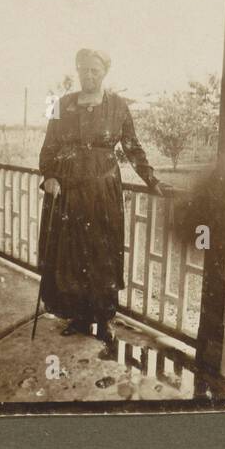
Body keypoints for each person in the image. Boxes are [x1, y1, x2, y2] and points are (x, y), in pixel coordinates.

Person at [37, 49, 169, 346]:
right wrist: (49, 176)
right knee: (72, 254)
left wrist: (151, 179)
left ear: (104, 72)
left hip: (102, 191)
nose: (89, 74)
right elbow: (48, 147)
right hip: (69, 190)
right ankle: (80, 317)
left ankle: (105, 319)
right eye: (83, 69)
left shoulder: (118, 105)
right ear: (77, 70)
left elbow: (133, 147)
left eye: (95, 70)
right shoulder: (60, 104)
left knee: (102, 253)